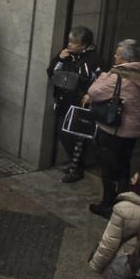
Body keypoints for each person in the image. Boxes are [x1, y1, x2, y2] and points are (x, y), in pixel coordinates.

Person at [80, 39, 140, 217]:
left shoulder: (119, 76)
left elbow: (94, 92)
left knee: (108, 168)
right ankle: (123, 200)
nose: (115, 56)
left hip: (115, 129)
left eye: (118, 54)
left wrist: (108, 74)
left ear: (126, 59)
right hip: (134, 129)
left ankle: (108, 205)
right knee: (124, 165)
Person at [47, 26, 101, 183]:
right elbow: (51, 73)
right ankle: (74, 164)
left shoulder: (94, 60)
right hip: (64, 100)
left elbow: (98, 81)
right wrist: (59, 60)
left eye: (74, 43)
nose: (70, 45)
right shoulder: (67, 55)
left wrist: (89, 94)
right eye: (69, 41)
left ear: (83, 45)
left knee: (76, 138)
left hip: (80, 104)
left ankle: (77, 168)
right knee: (63, 133)